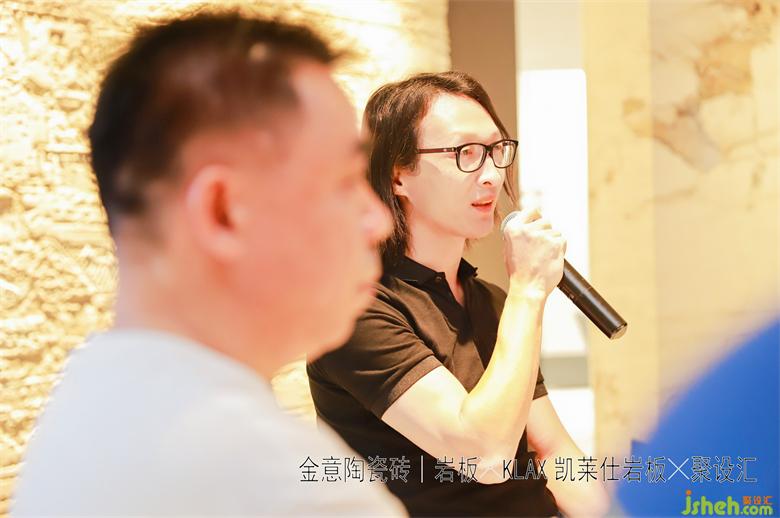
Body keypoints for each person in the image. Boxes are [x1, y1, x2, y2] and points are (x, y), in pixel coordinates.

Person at [11, 12, 405, 516]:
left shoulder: (85, 401)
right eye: (346, 182)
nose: (378, 222)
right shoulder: (292, 491)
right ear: (223, 212)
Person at [307, 72, 610, 516]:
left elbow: (551, 450)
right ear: (398, 174)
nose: (492, 175)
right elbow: (483, 455)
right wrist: (528, 290)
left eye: (496, 150)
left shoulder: (491, 300)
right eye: (465, 153)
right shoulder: (354, 309)